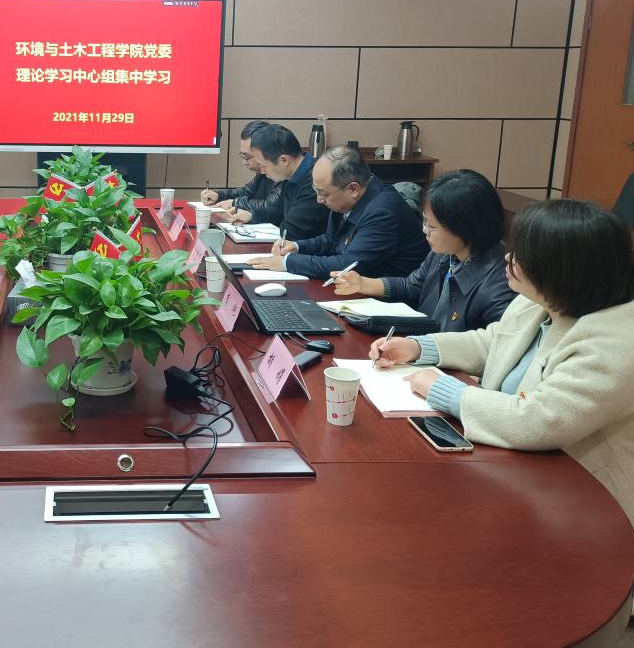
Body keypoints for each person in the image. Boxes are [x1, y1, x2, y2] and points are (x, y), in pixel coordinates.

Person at [373, 200, 634, 521]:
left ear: (564, 268)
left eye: (522, 256)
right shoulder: (540, 300)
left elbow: (538, 419)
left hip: (585, 501)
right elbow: (492, 341)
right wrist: (417, 347)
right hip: (515, 470)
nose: (508, 259)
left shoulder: (616, 342)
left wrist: (444, 390)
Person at [332, 169, 515, 332]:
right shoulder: (445, 253)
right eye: (425, 221)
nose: (424, 230)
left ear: (465, 228)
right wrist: (363, 283)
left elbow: (491, 347)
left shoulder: (500, 285)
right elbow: (413, 286)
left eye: (432, 226)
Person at [250, 145, 429, 279]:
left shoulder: (382, 213)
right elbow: (331, 240)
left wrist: (287, 262)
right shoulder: (348, 199)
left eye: (323, 193)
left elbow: (347, 264)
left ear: (353, 189)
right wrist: (297, 247)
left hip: (389, 302)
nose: (319, 200)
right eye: (316, 191)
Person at [220, 123, 328, 239]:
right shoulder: (291, 174)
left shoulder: (315, 180)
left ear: (283, 160)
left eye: (264, 166)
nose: (262, 171)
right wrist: (252, 215)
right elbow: (278, 211)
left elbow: (291, 230)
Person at [200, 120, 279, 213]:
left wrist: (235, 203)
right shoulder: (262, 173)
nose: (244, 162)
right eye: (242, 155)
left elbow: (272, 206)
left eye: (247, 157)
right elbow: (246, 192)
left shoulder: (283, 175)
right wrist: (219, 196)